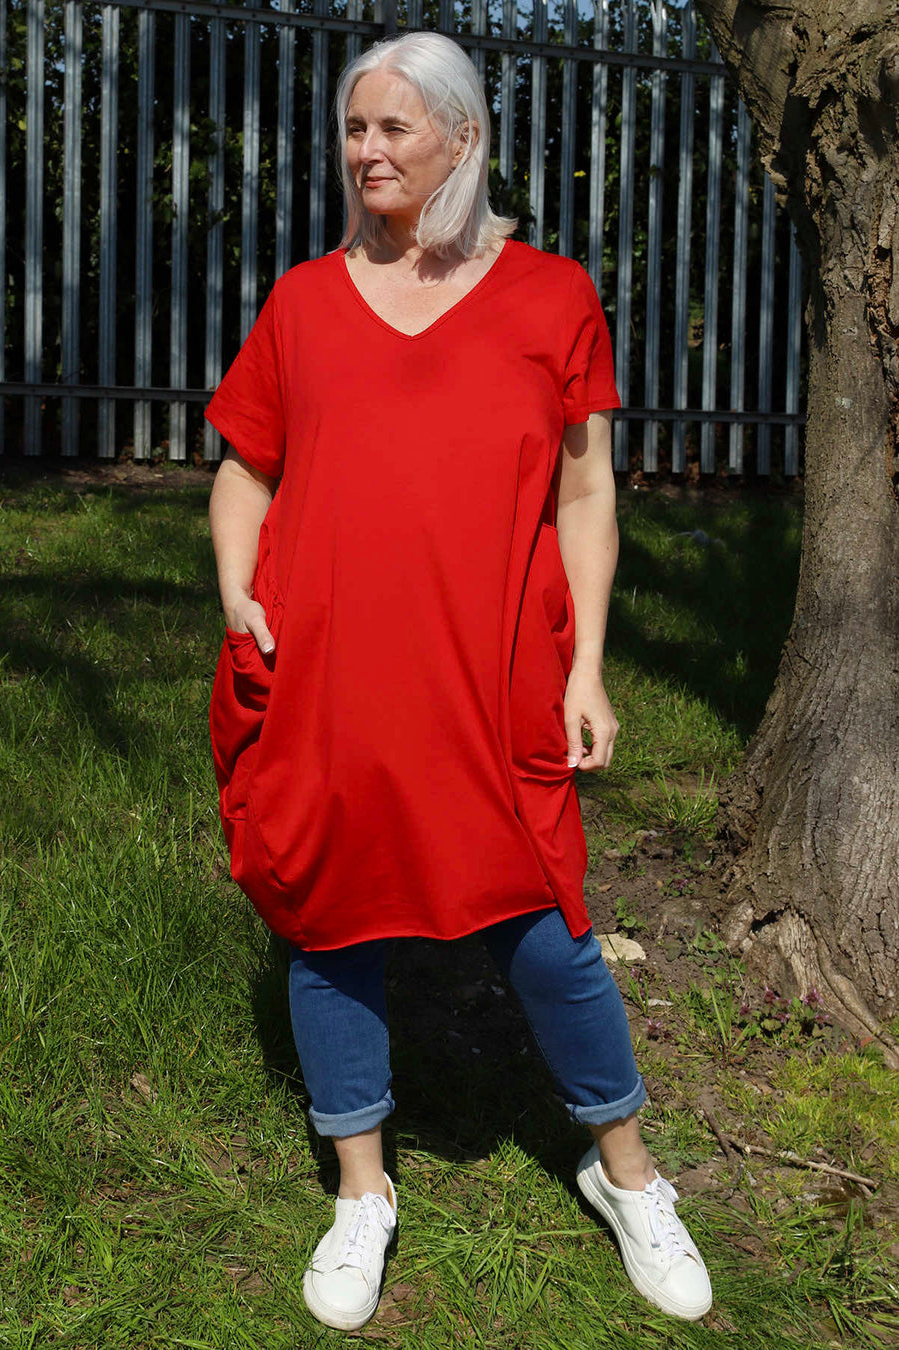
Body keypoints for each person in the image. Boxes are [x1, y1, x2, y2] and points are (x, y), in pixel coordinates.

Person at [206, 30, 712, 1332]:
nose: (367, 151)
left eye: (394, 128)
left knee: (546, 926)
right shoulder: (304, 303)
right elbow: (246, 471)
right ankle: (360, 1189)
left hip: (494, 673)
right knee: (332, 919)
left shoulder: (551, 297)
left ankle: (628, 1173)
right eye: (354, 128)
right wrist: (238, 589)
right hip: (330, 674)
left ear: (463, 139)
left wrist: (588, 663)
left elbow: (587, 493)